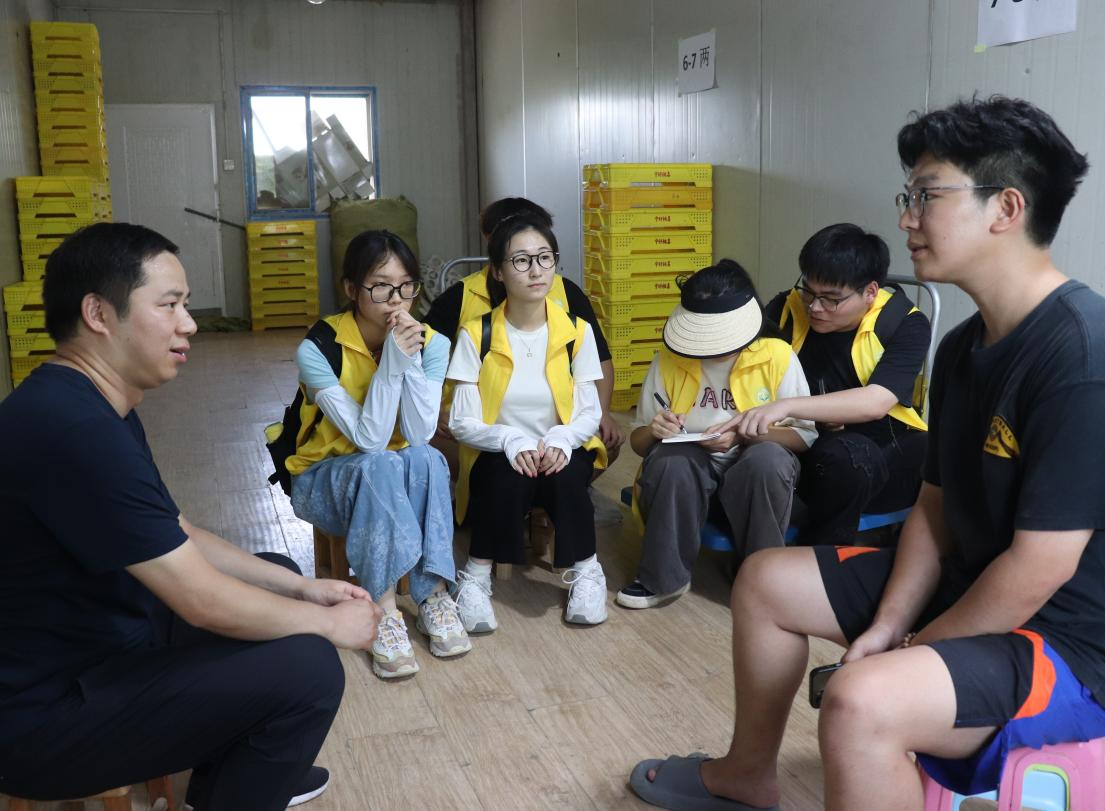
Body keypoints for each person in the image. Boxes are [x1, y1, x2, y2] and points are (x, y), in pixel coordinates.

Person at [629, 96, 1105, 811]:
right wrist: (887, 624)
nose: (907, 218)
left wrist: (917, 644)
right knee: (763, 580)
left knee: (858, 701)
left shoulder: (1080, 353)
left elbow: (1040, 567)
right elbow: (934, 507)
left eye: (926, 195)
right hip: (968, 584)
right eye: (906, 197)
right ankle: (746, 773)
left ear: (1006, 208)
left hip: (1066, 641)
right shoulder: (962, 346)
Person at [0, 222, 382, 810]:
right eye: (169, 305)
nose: (190, 323)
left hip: (101, 636)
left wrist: (303, 588)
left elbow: (174, 530)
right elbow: (201, 600)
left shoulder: (86, 402)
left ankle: (233, 782)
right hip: (43, 714)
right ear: (98, 314)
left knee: (277, 573)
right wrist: (330, 625)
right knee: (308, 668)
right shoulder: (75, 431)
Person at [287, 229, 469, 681]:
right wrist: (391, 362)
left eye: (406, 287)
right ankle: (383, 610)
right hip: (324, 481)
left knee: (427, 458)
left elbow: (420, 433)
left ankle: (433, 595)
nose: (397, 301)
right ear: (352, 289)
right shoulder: (318, 349)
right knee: (381, 461)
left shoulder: (432, 343)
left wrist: (409, 361)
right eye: (381, 287)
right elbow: (369, 439)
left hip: (397, 475)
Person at [615, 260, 816, 610]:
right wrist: (655, 431)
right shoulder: (669, 360)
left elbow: (803, 437)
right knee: (671, 460)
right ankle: (663, 579)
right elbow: (639, 442)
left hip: (756, 472)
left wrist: (746, 436)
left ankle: (760, 578)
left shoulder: (776, 356)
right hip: (690, 472)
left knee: (766, 461)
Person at [446, 213, 609, 630]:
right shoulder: (476, 334)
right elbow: (460, 420)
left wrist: (563, 437)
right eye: (521, 260)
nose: (536, 270)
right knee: (506, 477)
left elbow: (589, 411)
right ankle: (475, 578)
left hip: (562, 445)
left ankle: (588, 573)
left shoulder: (577, 331)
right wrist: (509, 439)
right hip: (497, 451)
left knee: (567, 475)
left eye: (544, 257)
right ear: (498, 271)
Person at [749, 223, 930, 546]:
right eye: (809, 291)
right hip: (803, 443)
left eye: (831, 299)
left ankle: (821, 557)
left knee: (873, 455)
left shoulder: (903, 323)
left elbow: (876, 402)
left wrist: (788, 406)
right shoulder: (787, 309)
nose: (814, 307)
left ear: (870, 292)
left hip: (877, 446)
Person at [425, 197, 626, 475]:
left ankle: (549, 496)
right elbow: (421, 357)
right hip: (482, 426)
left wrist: (601, 412)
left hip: (559, 425)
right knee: (431, 442)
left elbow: (600, 360)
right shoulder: (460, 296)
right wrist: (434, 410)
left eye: (542, 253)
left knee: (604, 442)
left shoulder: (567, 292)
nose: (534, 268)